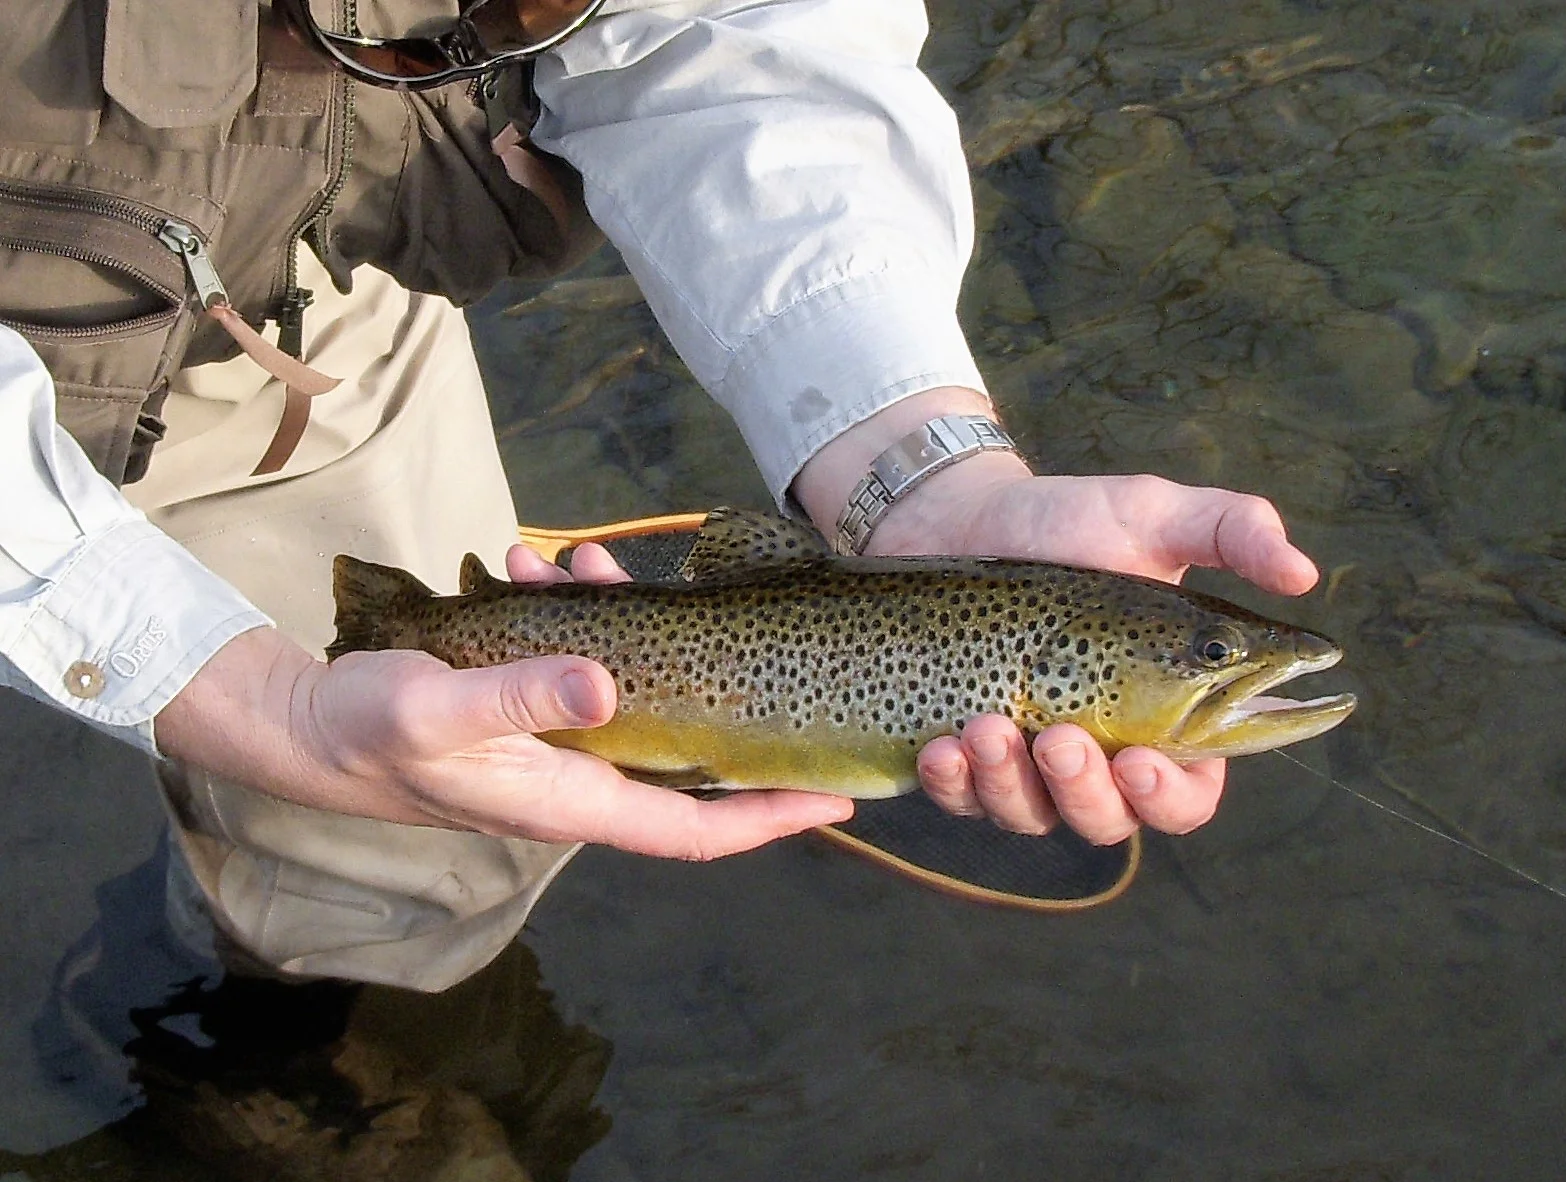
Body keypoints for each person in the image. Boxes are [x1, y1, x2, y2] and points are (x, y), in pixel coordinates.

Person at [0, 0, 1321, 993]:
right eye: (1205, 657)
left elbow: (715, 25)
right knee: (348, 756)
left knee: (448, 834)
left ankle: (284, 1010)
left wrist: (917, 462)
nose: (1228, 664)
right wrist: (252, 704)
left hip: (271, 282)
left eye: (1205, 656)